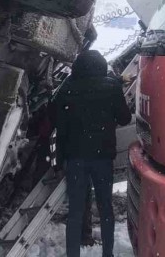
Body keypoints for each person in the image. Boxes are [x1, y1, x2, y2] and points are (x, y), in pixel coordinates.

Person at [52, 49, 132, 257]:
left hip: (75, 158)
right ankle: (108, 253)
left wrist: (58, 161)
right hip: (102, 158)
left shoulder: (67, 88)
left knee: (76, 211)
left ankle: (72, 254)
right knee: (106, 208)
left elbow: (59, 126)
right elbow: (124, 119)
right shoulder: (112, 86)